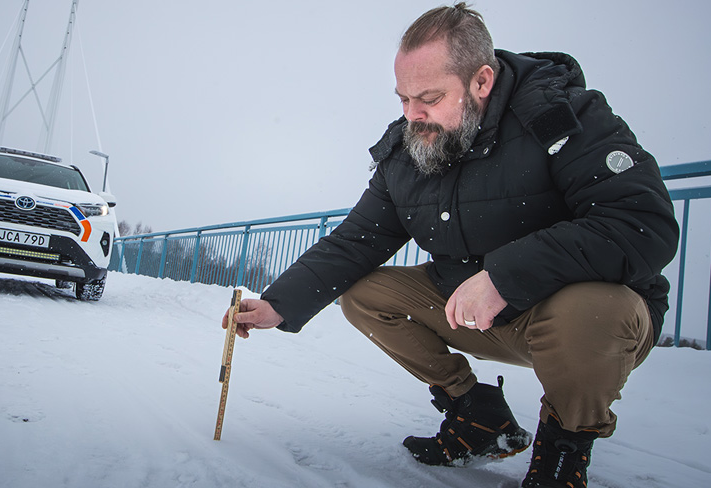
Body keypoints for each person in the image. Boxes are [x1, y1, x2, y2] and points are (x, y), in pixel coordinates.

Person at [222, 3, 679, 487]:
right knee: (365, 293)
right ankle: (477, 416)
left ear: (481, 81)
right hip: (474, 307)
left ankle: (563, 451)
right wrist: (276, 304)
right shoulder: (411, 147)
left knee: (593, 312)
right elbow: (356, 240)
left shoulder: (562, 116)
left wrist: (505, 277)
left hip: (574, 320)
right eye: (403, 99)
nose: (412, 115)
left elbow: (642, 223)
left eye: (430, 97)